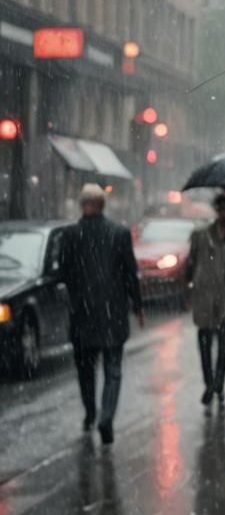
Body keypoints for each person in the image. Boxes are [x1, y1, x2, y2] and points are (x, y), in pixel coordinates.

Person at [58, 183, 143, 445]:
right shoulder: (119, 233)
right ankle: (105, 417)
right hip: (112, 313)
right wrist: (137, 306)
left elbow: (65, 273)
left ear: (84, 205)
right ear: (102, 205)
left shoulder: (71, 235)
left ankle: (91, 413)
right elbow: (131, 273)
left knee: (86, 369)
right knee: (113, 369)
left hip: (83, 314)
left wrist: (76, 299)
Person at [186, 193, 225, 410]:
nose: (222, 212)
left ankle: (218, 383)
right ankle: (209, 384)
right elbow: (190, 264)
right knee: (205, 344)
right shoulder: (200, 236)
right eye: (220, 207)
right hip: (205, 298)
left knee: (224, 347)